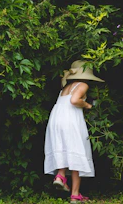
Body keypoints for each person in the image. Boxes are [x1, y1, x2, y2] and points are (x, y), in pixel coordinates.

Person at [44, 60, 104, 203]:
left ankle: (61, 176)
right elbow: (74, 100)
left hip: (56, 119)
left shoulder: (65, 87)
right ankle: (74, 194)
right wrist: (87, 105)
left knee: (65, 150)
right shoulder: (83, 85)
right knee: (76, 152)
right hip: (70, 120)